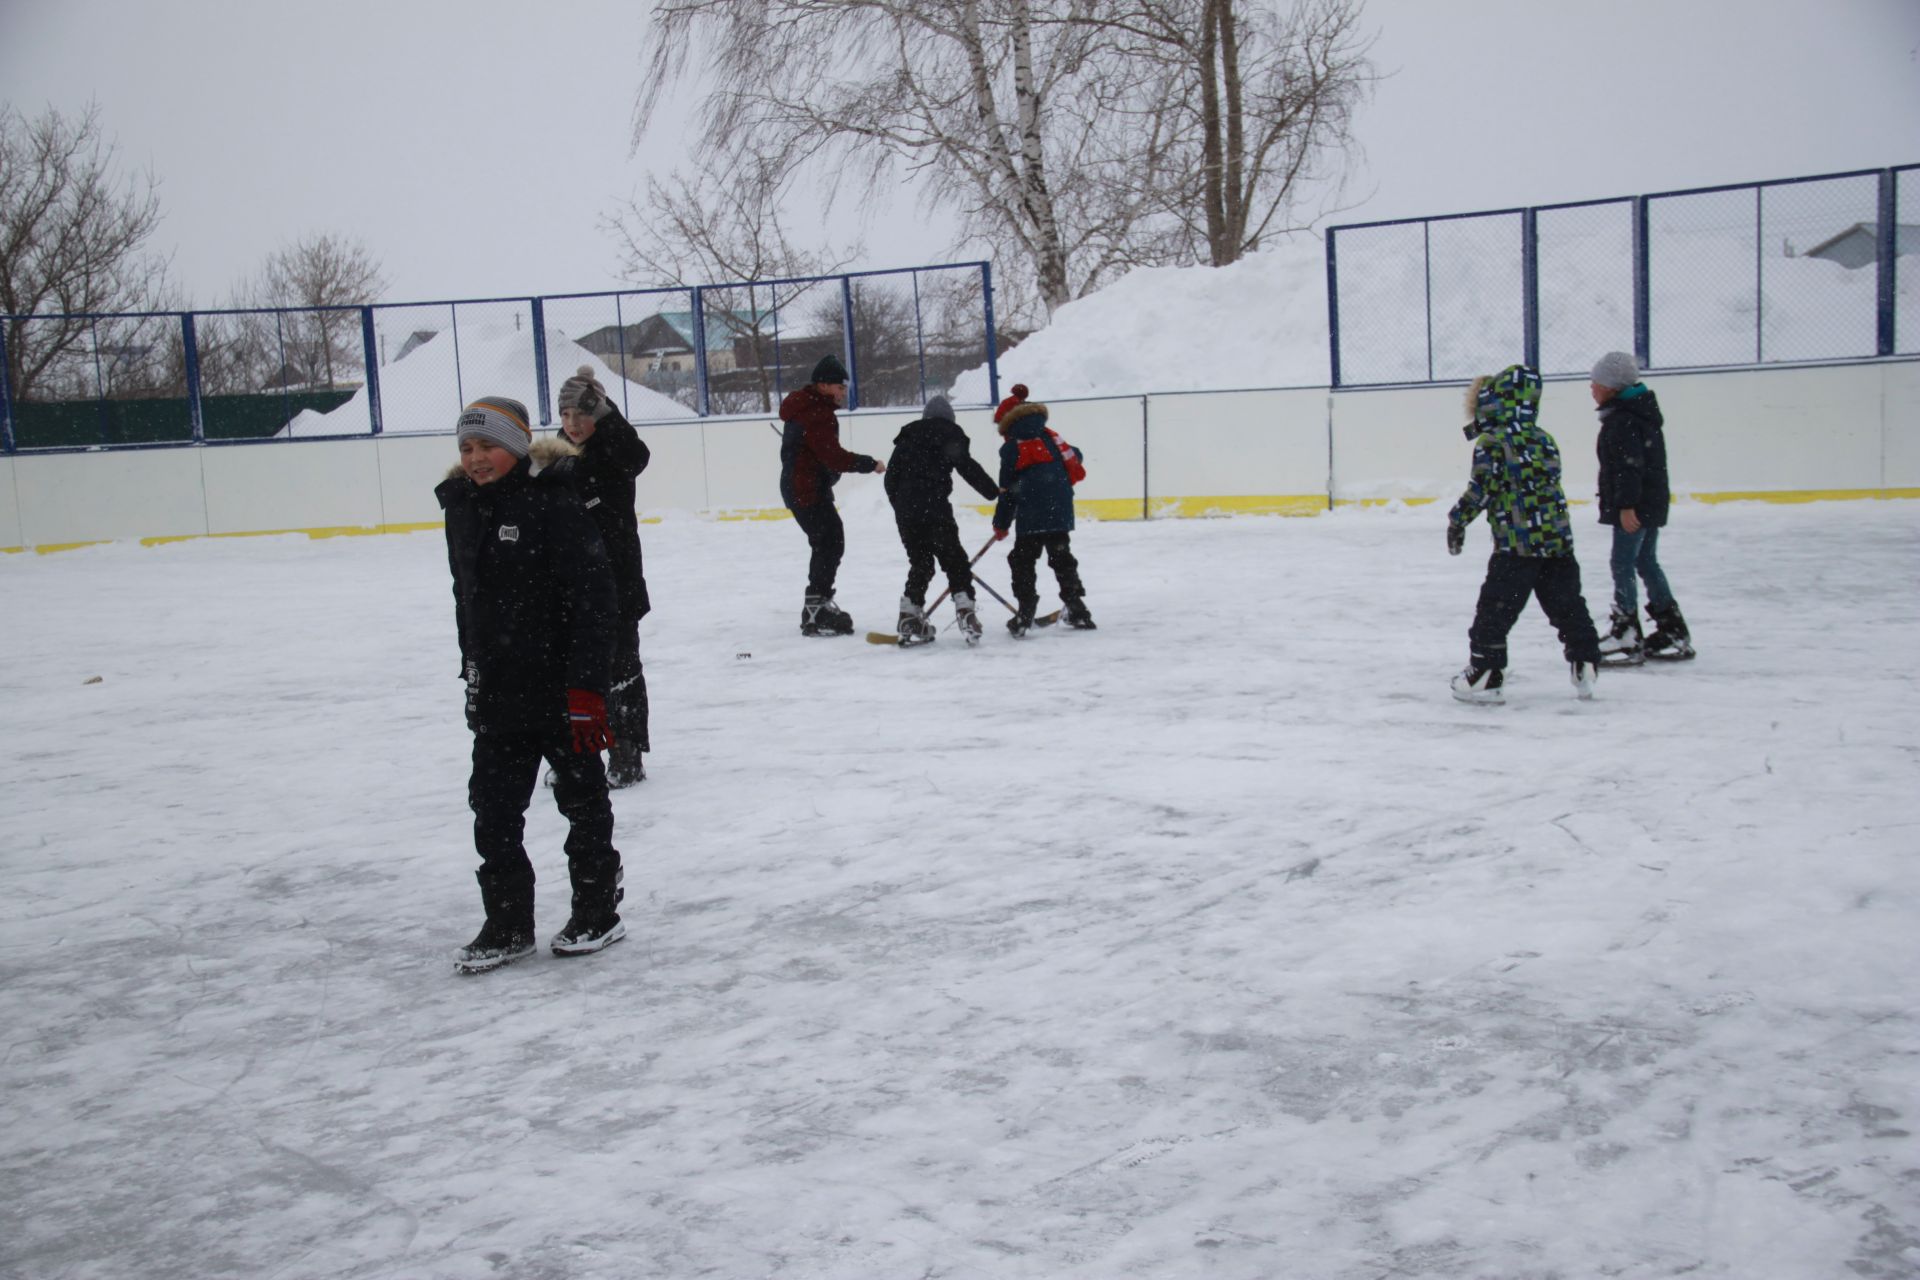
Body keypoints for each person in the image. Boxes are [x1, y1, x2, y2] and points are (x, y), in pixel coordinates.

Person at [435, 395, 626, 973]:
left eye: (488, 446)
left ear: (516, 447)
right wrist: (473, 674)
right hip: (498, 690)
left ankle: (598, 911)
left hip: (564, 688)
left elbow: (595, 601)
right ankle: (508, 923)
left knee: (583, 802)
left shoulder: (553, 502)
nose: (476, 458)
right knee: (492, 811)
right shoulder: (462, 508)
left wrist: (589, 690)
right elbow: (466, 603)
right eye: (467, 448)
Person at [1445, 364, 1603, 705]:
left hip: (1516, 546)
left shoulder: (1493, 443)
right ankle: (1584, 660)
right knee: (1568, 607)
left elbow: (1481, 490)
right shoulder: (1544, 439)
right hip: (1558, 543)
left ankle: (1485, 674)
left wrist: (1457, 520)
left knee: (1495, 611)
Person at [555, 365, 654, 784]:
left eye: (582, 413)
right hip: (571, 585)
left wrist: (608, 413)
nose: (574, 424)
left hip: (616, 581)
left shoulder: (615, 451)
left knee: (620, 668)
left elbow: (637, 455)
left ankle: (626, 752)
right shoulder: (556, 457)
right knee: (573, 671)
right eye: (565, 414)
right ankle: (579, 752)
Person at [1590, 351, 1694, 664]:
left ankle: (1626, 632)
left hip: (1636, 506)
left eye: (1596, 381)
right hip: (1650, 502)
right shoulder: (1638, 412)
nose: (1591, 387)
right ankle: (1672, 630)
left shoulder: (1623, 420)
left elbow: (1628, 467)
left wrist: (1626, 506)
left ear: (1611, 386)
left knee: (1622, 563)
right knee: (1646, 562)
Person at [778, 354, 883, 636]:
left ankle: (816, 605)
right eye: (839, 387)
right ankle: (817, 608)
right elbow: (833, 456)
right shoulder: (816, 414)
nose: (843, 392)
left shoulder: (806, 408)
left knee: (827, 540)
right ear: (823, 385)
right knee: (830, 540)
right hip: (805, 489)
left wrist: (825, 472)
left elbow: (817, 456)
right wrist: (868, 463)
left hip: (800, 486)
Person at [884, 393, 1001, 645]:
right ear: (950, 419)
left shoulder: (907, 438)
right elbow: (966, 466)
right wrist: (992, 491)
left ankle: (909, 615)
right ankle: (966, 613)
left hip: (907, 513)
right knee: (955, 561)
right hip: (934, 508)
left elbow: (890, 479)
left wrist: (902, 506)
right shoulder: (949, 433)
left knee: (921, 563)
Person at [989, 383, 1094, 635]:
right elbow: (1076, 455)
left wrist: (1001, 524)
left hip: (1031, 514)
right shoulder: (1052, 437)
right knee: (1061, 556)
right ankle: (1076, 607)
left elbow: (1007, 491)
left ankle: (1025, 611)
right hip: (1060, 509)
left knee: (1022, 560)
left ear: (1007, 423)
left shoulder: (1012, 448)